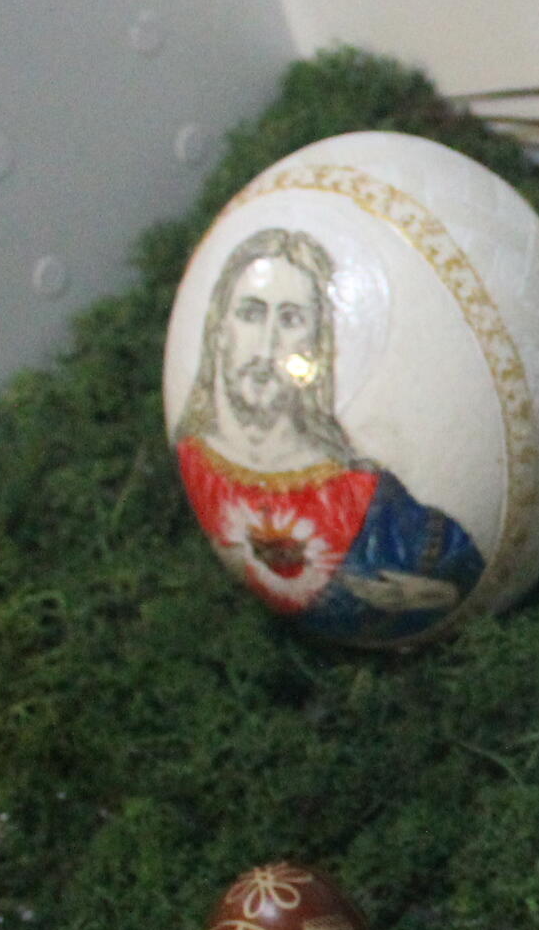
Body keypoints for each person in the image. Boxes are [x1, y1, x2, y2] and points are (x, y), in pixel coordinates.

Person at [174, 227, 484, 646]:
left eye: (291, 319)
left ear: (318, 344)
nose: (267, 346)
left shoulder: (375, 505)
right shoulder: (195, 460)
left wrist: (443, 592)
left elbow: (468, 571)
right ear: (218, 330)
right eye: (250, 313)